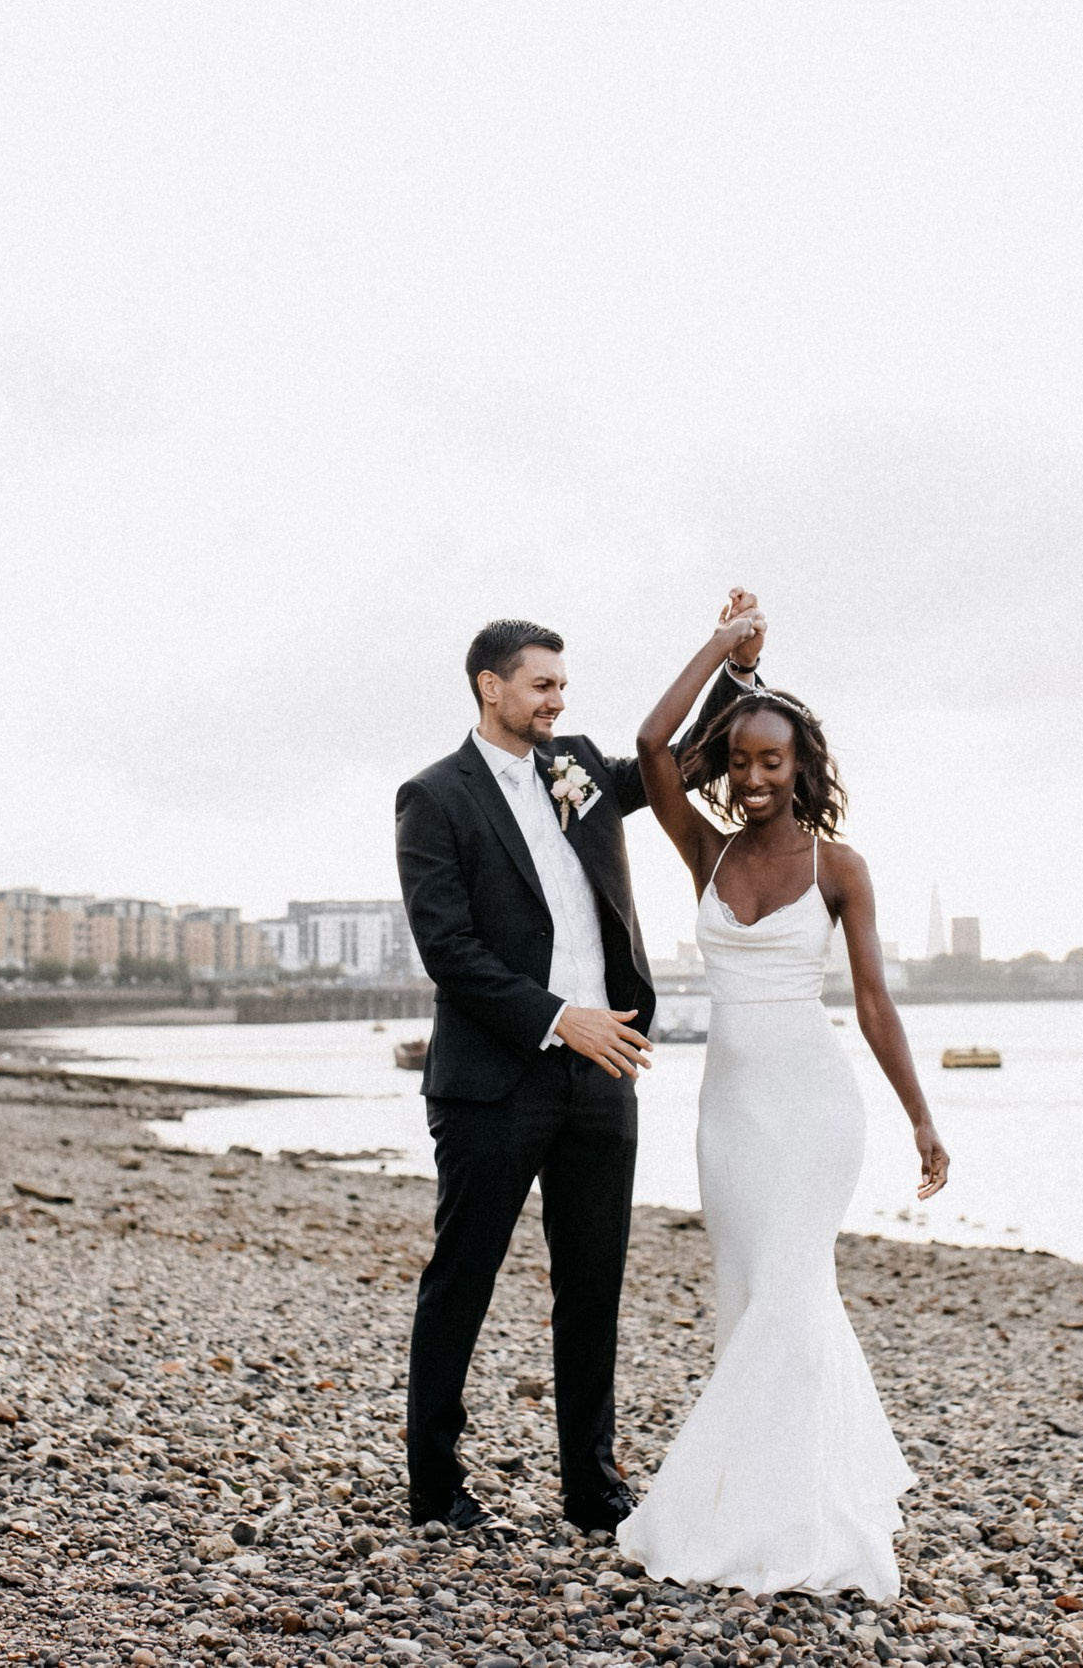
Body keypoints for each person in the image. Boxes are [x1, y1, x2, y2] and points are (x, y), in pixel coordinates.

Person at [392, 600, 767, 1534]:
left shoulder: (581, 769)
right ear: (493, 687)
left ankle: (592, 1487)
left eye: (564, 684)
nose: (559, 699)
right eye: (543, 684)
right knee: (463, 1278)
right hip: (494, 1078)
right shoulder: (433, 796)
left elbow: (686, 755)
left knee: (593, 1283)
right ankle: (435, 1485)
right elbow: (451, 949)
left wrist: (737, 666)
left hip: (605, 1077)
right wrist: (563, 1019)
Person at [613, 599, 951, 1601]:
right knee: (755, 1298)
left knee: (794, 1296)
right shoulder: (706, 851)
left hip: (815, 1112)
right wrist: (726, 652)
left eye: (775, 762)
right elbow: (648, 745)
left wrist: (922, 1119)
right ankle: (748, 1496)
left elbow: (876, 1006)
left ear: (803, 767)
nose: (757, 778)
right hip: (730, 1119)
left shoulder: (839, 868)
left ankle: (803, 1517)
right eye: (744, 761)